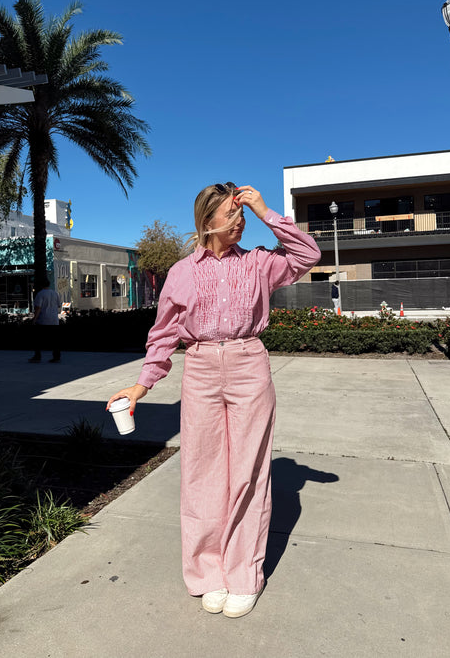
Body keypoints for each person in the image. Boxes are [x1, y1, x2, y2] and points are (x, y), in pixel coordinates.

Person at [107, 182, 321, 618]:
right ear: (206, 221)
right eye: (230, 214)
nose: (238, 220)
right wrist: (141, 386)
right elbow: (164, 333)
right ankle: (208, 572)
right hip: (201, 367)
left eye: (241, 213)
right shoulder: (182, 272)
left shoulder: (261, 262)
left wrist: (265, 211)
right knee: (201, 473)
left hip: (248, 364)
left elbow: (308, 255)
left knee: (249, 473)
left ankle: (243, 574)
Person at [29, 277, 62, 363]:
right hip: (54, 320)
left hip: (43, 320)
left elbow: (38, 308)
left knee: (38, 340)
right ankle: (56, 357)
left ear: (41, 285)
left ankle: (37, 356)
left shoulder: (40, 294)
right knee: (55, 340)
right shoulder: (55, 293)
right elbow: (59, 305)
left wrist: (34, 319)